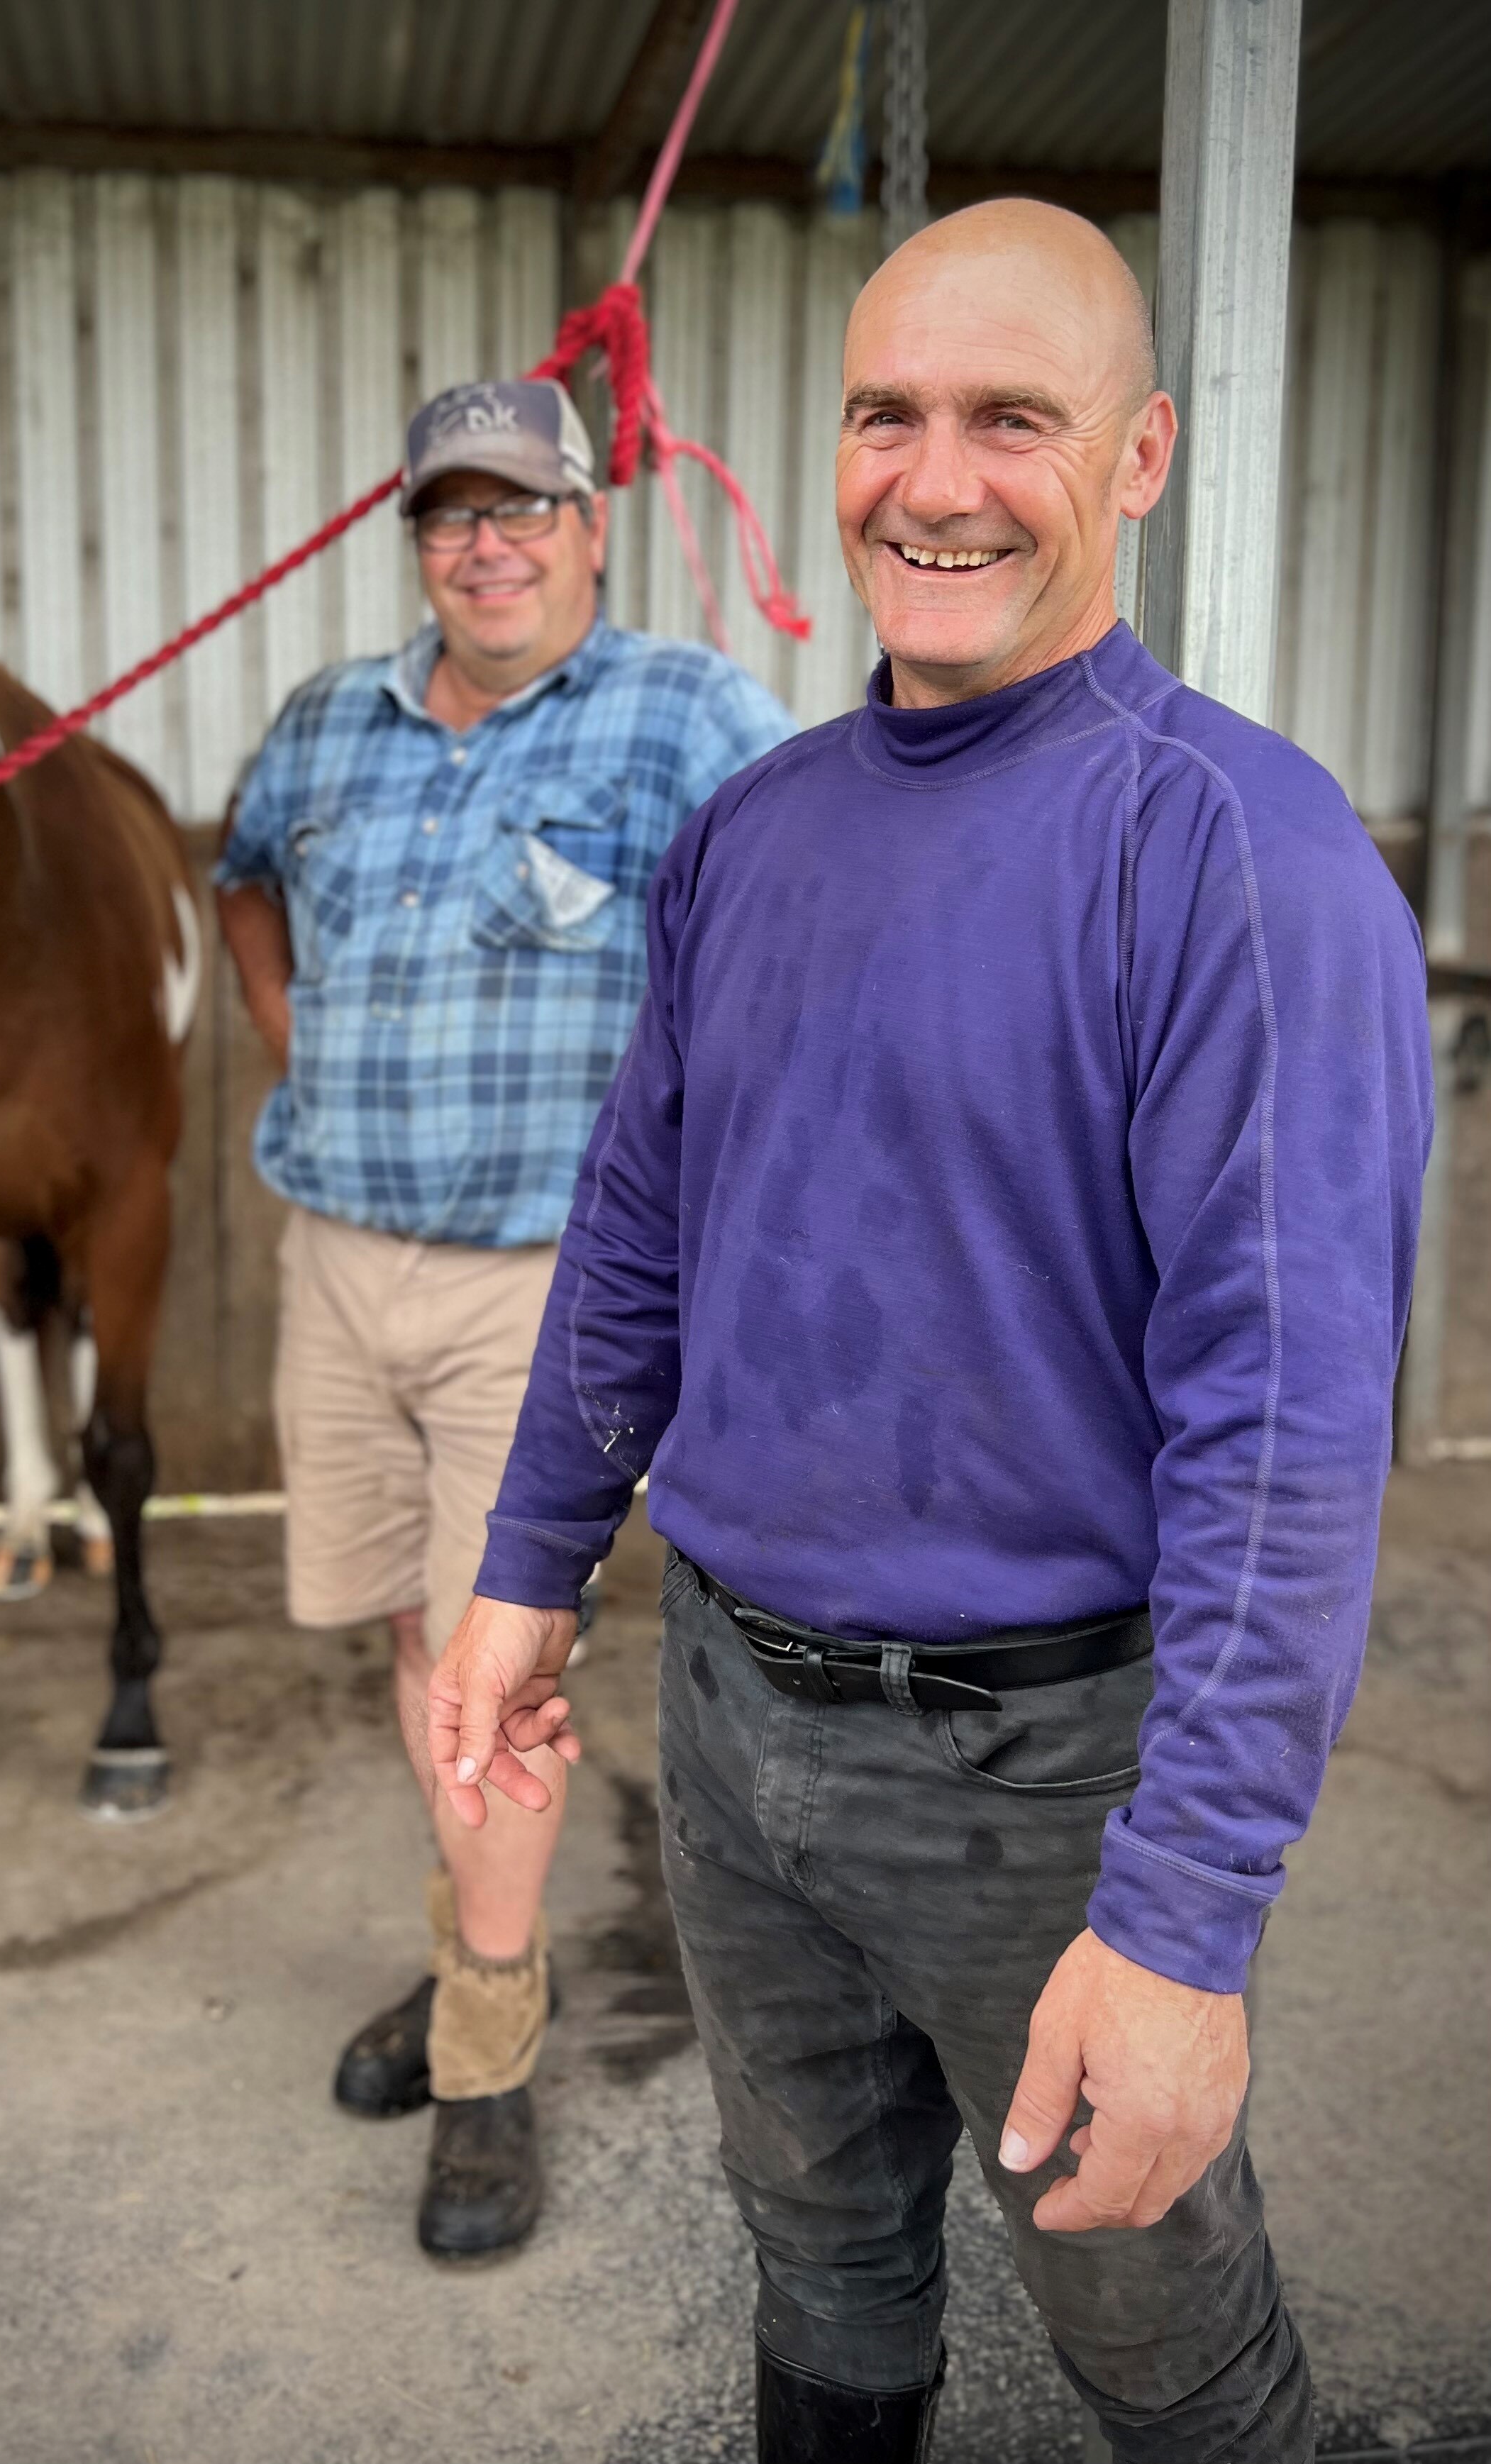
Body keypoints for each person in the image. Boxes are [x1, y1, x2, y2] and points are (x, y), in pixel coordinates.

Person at [428, 201, 1434, 2454]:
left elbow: (1278, 1446)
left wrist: (1177, 1932)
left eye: (1013, 419)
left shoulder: (1236, 861)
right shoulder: (754, 834)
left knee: (1164, 2361)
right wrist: (522, 1568)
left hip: (1042, 1781)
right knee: (824, 2276)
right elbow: (636, 1237)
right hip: (731, 1723)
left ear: (1144, 453)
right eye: (886, 416)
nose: (935, 478)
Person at [214, 375, 793, 2258]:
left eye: (522, 508)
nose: (487, 544)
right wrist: (308, 1056)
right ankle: (482, 1943)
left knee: (497, 1676)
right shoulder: (327, 727)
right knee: (415, 1647)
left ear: (592, 521)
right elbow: (238, 886)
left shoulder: (684, 716)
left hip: (539, 1293)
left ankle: (483, 2049)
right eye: (452, 514)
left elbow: (805, 928)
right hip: (338, 1259)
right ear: (418, 538)